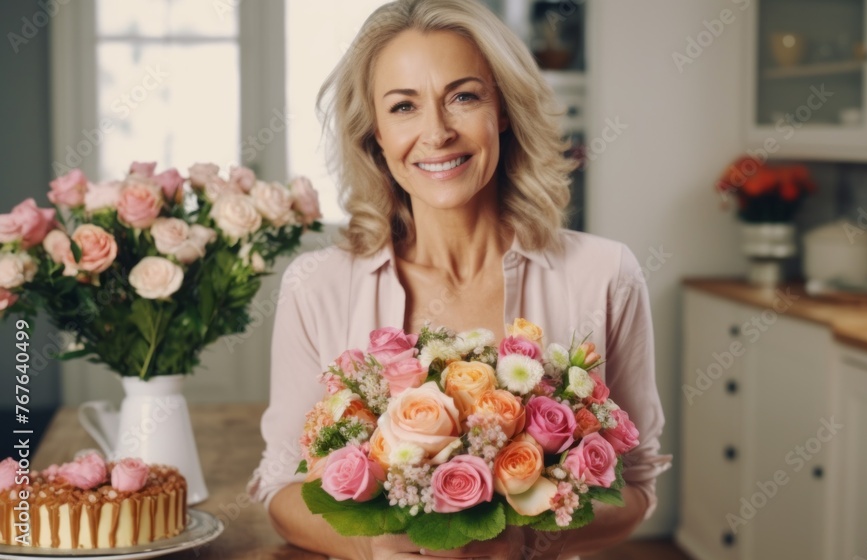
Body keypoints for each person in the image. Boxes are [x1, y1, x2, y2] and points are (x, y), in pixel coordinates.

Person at [248, 0, 671, 558]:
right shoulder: (316, 286)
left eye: (464, 97)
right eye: (403, 106)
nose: (437, 132)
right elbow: (281, 487)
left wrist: (522, 540)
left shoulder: (606, 275)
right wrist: (371, 549)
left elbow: (636, 485)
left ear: (502, 109)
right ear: (374, 131)